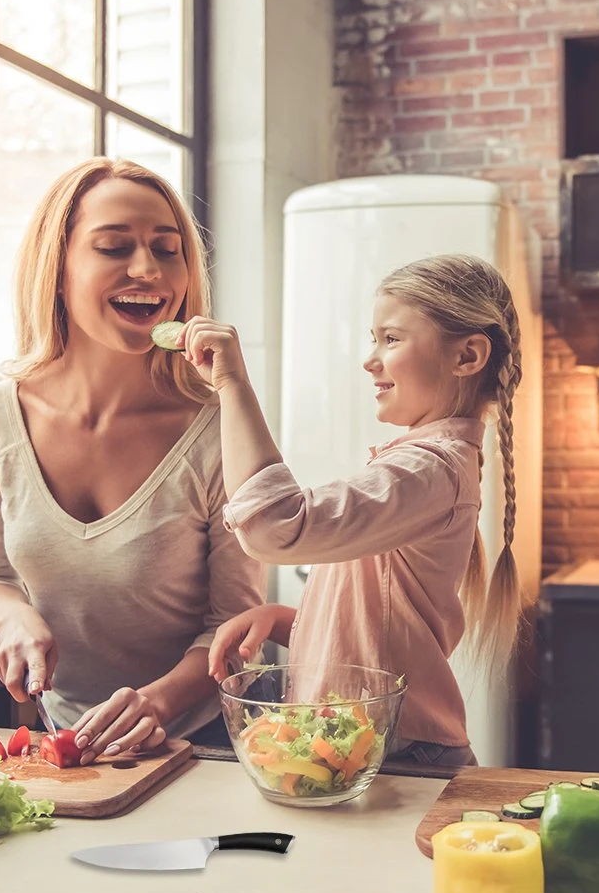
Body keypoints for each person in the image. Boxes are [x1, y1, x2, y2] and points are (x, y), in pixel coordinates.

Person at [0, 158, 265, 763]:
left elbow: (236, 625)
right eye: (115, 246)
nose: (149, 271)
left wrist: (156, 704)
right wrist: (15, 618)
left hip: (209, 746)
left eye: (168, 249)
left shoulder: (218, 428)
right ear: (58, 267)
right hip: (65, 741)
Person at [198, 255, 523, 766]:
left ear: (468, 356)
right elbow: (376, 623)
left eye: (391, 339)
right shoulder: (421, 468)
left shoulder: (429, 469)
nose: (370, 359)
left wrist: (232, 383)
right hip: (371, 750)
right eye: (375, 339)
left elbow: (273, 526)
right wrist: (286, 621)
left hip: (401, 757)